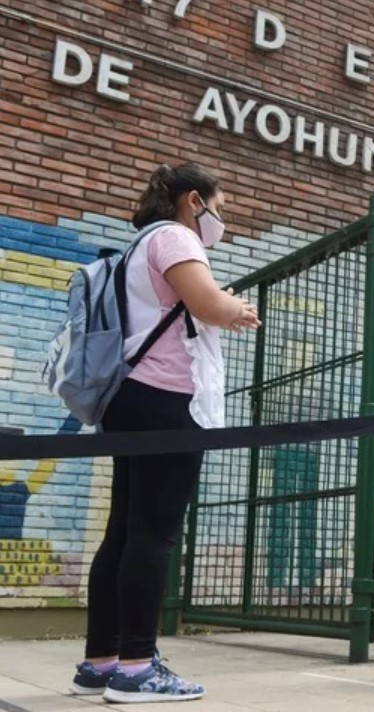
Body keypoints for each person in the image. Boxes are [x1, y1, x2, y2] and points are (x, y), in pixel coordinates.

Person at [71, 164, 260, 703]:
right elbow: (207, 305)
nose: (220, 222)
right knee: (154, 534)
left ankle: (100, 661)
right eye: (219, 210)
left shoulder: (137, 247)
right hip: (167, 398)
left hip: (128, 395)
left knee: (124, 531)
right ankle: (136, 667)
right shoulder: (176, 236)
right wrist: (238, 308)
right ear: (193, 201)